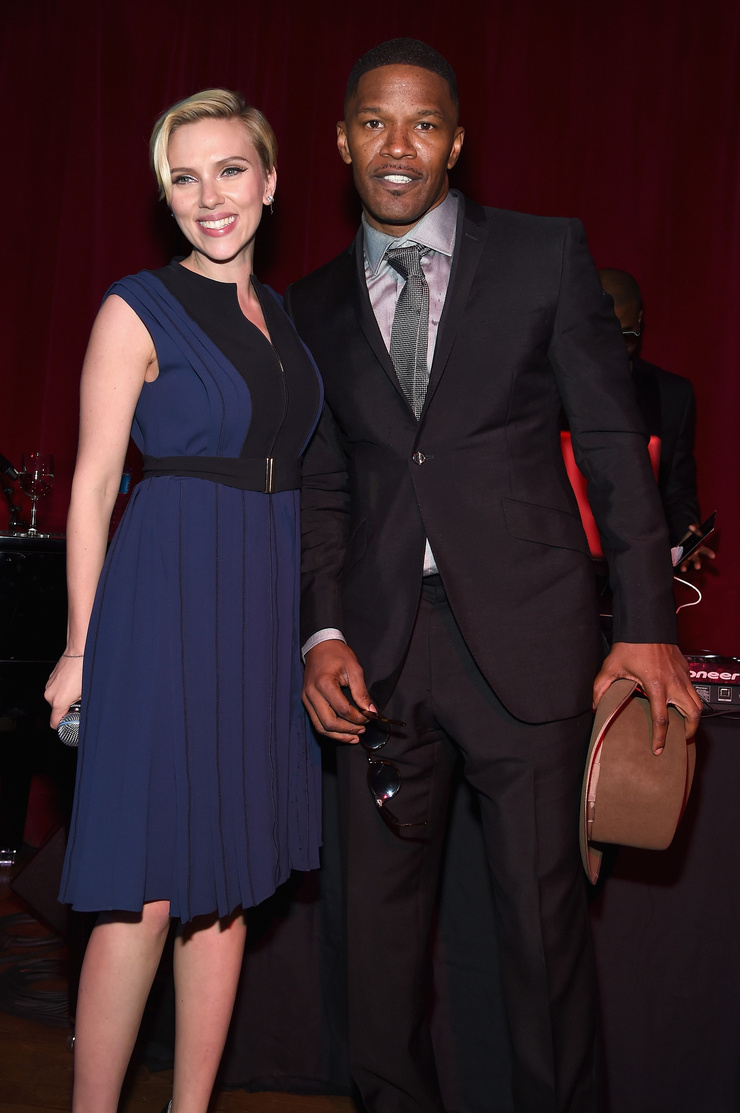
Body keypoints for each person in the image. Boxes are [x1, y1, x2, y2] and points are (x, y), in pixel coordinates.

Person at [285, 39, 702, 1113]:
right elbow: (322, 487)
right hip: (375, 660)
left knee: (542, 933)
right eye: (374, 122)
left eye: (423, 124)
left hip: (529, 642)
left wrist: (646, 621)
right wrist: (321, 632)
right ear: (341, 142)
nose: (398, 145)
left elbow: (611, 443)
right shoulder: (309, 304)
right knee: (375, 950)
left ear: (457, 143)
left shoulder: (542, 254)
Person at [44, 89, 322, 1113]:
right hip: (161, 605)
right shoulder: (136, 307)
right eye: (184, 177)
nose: (210, 196)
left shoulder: (284, 319)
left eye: (230, 170)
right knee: (148, 891)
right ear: (165, 197)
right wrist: (81, 647)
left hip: (257, 613)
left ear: (270, 182)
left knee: (229, 881)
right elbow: (90, 487)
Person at [598, 267, 713, 568]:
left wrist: (685, 536)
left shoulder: (672, 396)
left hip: (636, 567)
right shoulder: (543, 391)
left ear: (639, 320)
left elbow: (676, 488)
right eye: (601, 335)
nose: (613, 349)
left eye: (626, 336)